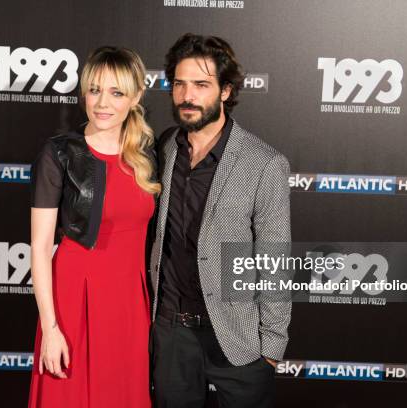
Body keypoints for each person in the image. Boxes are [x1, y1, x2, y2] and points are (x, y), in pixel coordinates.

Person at [150, 33, 292, 407]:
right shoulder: (164, 148)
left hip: (236, 338)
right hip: (171, 333)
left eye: (201, 84)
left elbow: (274, 261)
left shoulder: (264, 164)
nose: (187, 96)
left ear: (226, 91)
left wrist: (272, 346)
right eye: (179, 84)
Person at [28, 46, 159, 408]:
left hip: (130, 305)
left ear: (135, 97)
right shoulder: (59, 153)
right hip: (74, 301)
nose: (103, 102)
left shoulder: (149, 154)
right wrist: (51, 328)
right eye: (94, 89)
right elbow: (40, 248)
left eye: (116, 92)